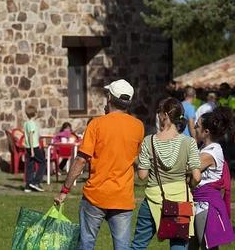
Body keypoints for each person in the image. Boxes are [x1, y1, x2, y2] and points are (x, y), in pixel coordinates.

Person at [54, 79, 144, 250]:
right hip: (123, 196)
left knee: (86, 244)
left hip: (96, 195)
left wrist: (64, 191)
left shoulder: (96, 124)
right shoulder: (138, 127)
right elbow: (133, 156)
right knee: (123, 247)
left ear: (109, 98)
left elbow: (80, 160)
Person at [130, 97, 201, 250]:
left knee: (138, 245)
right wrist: (190, 184)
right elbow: (196, 176)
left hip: (153, 199)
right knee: (178, 244)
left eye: (159, 112)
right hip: (181, 200)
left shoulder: (148, 141)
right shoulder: (189, 143)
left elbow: (142, 176)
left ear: (165, 115)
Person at [191, 108, 235, 249]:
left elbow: (187, 167)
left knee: (207, 246)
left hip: (206, 207)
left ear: (206, 132)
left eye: (197, 125)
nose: (194, 128)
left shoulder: (210, 153)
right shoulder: (205, 148)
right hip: (200, 204)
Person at [23, 104, 44, 192]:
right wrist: (32, 150)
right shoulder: (31, 124)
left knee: (30, 166)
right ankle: (36, 182)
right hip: (33, 147)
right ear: (34, 113)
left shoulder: (26, 123)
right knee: (43, 162)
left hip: (27, 147)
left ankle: (28, 186)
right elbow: (31, 136)